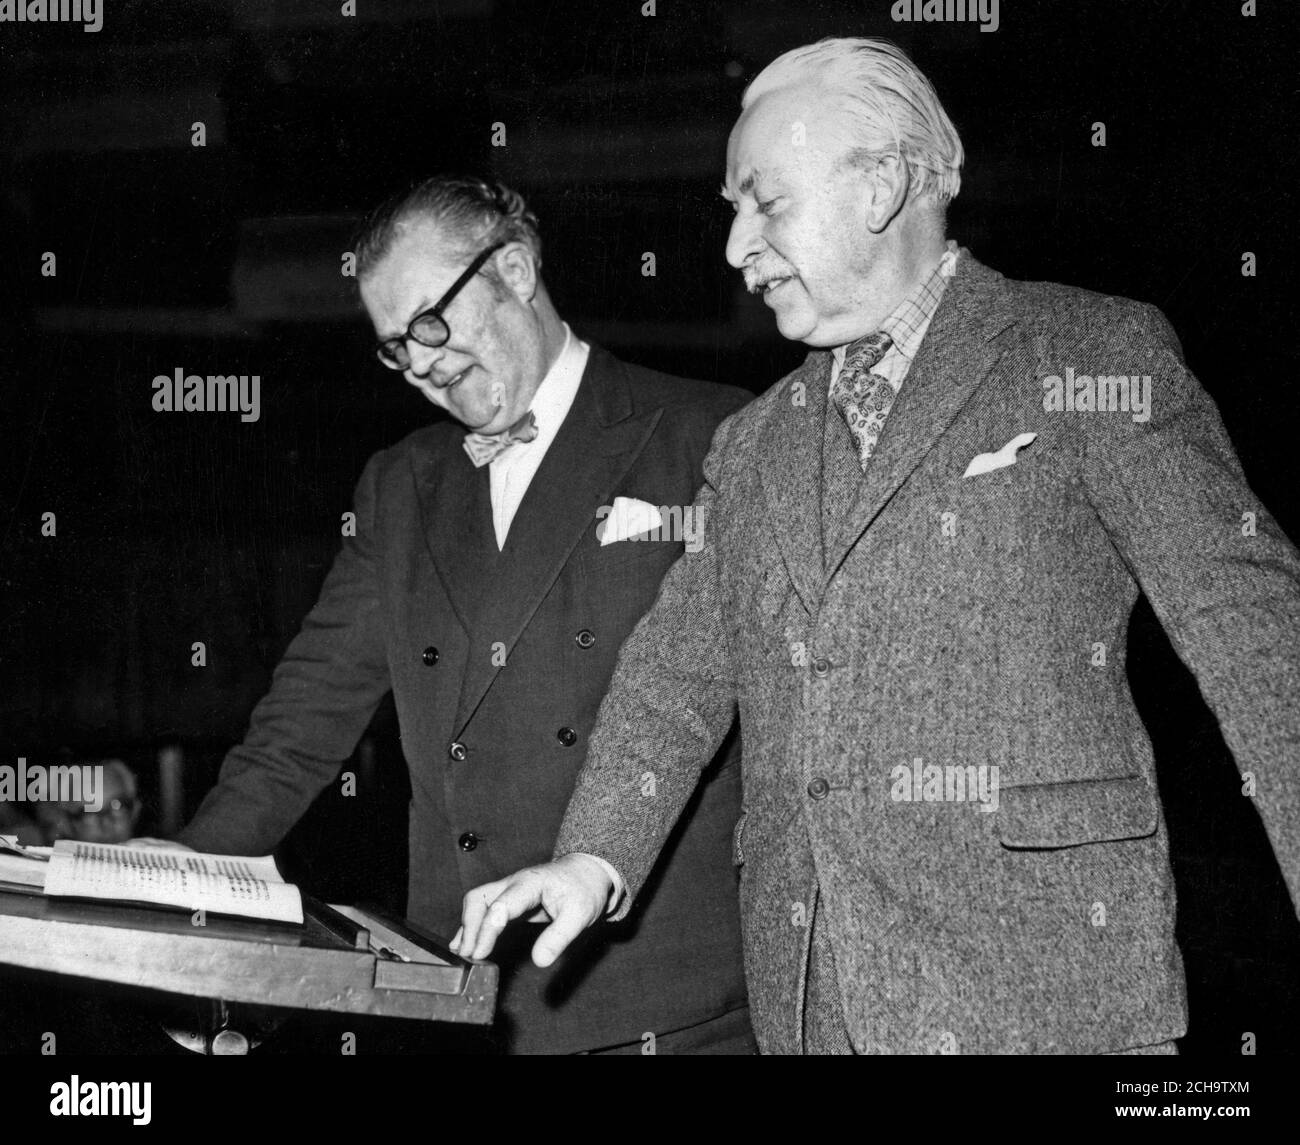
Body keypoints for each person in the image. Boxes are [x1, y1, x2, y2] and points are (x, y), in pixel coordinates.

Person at [456, 37, 1300, 1055]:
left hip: (1048, 1002)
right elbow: (674, 679)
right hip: (810, 1005)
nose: (733, 248)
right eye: (731, 211)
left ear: (881, 185)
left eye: (763, 203)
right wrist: (592, 857)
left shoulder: (1088, 357)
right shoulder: (755, 440)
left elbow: (1256, 641)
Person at [162, 176, 754, 1054]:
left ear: (514, 270)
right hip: (463, 1002)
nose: (422, 363)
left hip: (668, 1012)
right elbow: (303, 722)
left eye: (430, 324)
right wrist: (181, 891)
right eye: (396, 347)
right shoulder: (401, 484)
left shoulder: (714, 435)